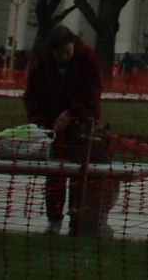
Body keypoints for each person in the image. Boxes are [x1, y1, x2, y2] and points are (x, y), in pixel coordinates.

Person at [23, 27, 108, 235]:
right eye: (59, 54)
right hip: (54, 130)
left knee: (81, 177)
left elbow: (93, 91)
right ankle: (54, 220)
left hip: (82, 128)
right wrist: (40, 121)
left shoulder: (88, 57)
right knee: (55, 176)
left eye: (67, 52)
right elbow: (32, 96)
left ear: (73, 45)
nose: (63, 57)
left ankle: (77, 221)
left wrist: (72, 112)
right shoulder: (43, 63)